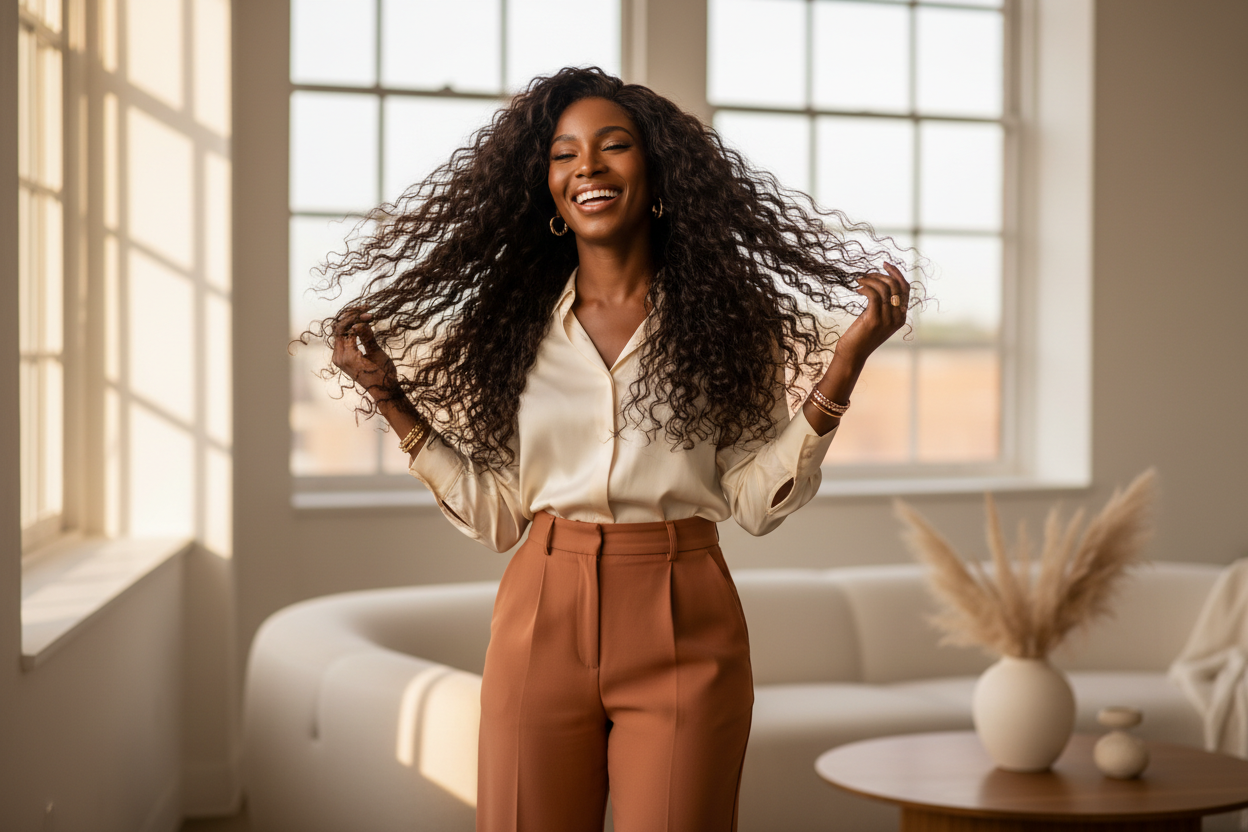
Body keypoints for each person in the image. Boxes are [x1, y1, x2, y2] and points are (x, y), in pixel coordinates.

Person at [308, 67, 912, 832]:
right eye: (563, 154)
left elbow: (754, 506)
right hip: (541, 611)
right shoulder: (512, 330)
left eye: (613, 146)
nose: (586, 166)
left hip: (684, 609)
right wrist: (392, 400)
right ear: (547, 187)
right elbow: (498, 518)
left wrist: (842, 370)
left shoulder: (728, 324)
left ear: (656, 173)